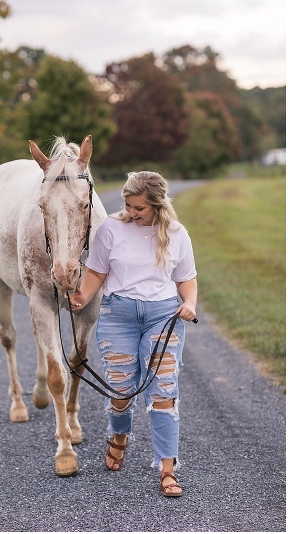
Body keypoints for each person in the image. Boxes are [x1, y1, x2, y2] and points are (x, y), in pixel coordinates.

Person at [68, 171, 197, 498]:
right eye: (127, 204)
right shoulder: (112, 228)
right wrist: (81, 296)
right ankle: (119, 435)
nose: (131, 210)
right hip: (118, 317)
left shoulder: (178, 234)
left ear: (156, 205)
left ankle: (167, 468)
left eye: (138, 207)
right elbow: (97, 271)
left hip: (163, 318)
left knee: (163, 391)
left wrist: (190, 302)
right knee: (122, 391)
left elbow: (186, 279)